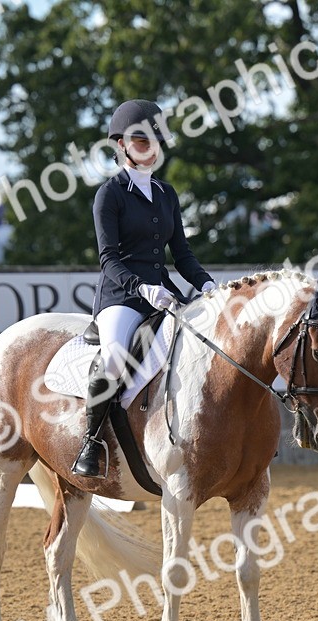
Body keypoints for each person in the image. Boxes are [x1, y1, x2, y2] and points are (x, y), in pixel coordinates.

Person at [72, 99, 217, 478]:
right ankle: (91, 442)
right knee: (117, 357)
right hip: (121, 296)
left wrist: (207, 284)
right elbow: (109, 258)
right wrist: (142, 288)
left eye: (156, 140)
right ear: (120, 144)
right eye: (140, 140)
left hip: (163, 292)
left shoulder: (167, 194)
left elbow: (182, 254)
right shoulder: (110, 194)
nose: (150, 147)